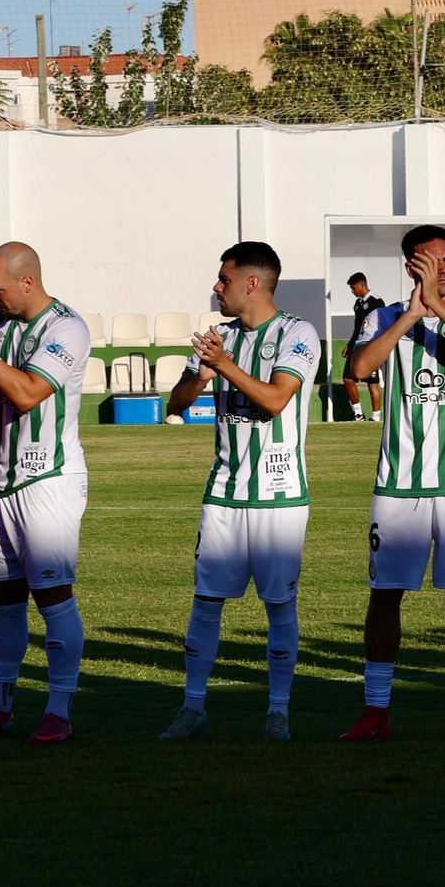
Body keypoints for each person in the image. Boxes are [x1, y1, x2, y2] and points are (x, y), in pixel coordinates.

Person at [340, 224, 445, 744]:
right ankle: (375, 711)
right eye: (433, 261)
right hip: (399, 482)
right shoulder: (383, 317)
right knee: (386, 595)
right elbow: (361, 367)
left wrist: (440, 307)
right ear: (411, 265)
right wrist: (413, 313)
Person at [159, 242, 319, 743]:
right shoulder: (219, 338)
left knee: (279, 606)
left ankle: (277, 712)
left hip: (279, 494)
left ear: (252, 283)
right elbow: (178, 402)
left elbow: (274, 400)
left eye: (224, 279)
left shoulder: (298, 332)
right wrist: (199, 375)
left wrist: (223, 366)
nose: (216, 286)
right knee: (205, 602)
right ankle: (192, 709)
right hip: (224, 492)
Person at [0, 243, 91, 746]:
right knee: (3, 601)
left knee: (52, 599)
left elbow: (28, 393)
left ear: (27, 282)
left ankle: (59, 710)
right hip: (3, 481)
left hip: (48, 481)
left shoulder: (67, 328)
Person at [342, 273, 384, 423]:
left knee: (372, 384)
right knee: (348, 378)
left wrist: (377, 347)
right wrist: (350, 344)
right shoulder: (358, 304)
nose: (352, 291)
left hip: (371, 347)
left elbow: (380, 326)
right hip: (357, 346)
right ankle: (358, 414)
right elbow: (357, 327)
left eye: (353, 288)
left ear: (362, 286)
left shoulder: (377, 302)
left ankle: (376, 417)